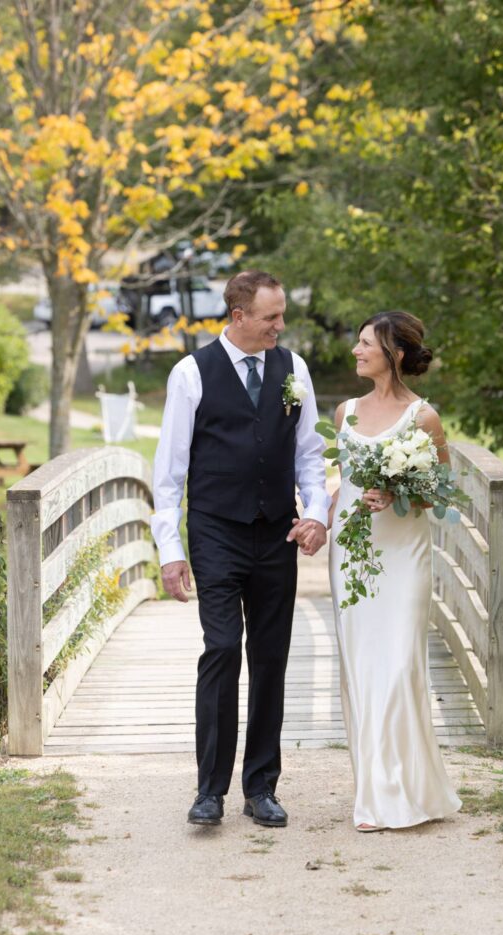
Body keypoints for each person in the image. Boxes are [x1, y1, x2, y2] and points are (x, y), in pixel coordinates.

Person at [151, 270, 330, 828]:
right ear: (239, 317)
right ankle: (210, 791)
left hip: (276, 530)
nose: (281, 326)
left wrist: (317, 515)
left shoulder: (292, 369)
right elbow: (168, 472)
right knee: (223, 649)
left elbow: (309, 454)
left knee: (272, 658)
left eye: (282, 315)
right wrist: (169, 550)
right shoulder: (191, 374)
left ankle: (262, 788)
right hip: (216, 532)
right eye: (272, 317)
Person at [328, 310, 462, 832]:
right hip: (354, 556)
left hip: (403, 556)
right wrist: (320, 519)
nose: (356, 351)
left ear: (395, 354)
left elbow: (441, 491)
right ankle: (375, 792)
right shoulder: (345, 413)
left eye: (366, 344)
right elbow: (342, 484)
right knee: (362, 667)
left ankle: (404, 791)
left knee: (399, 665)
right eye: (357, 342)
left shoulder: (424, 418)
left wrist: (401, 490)